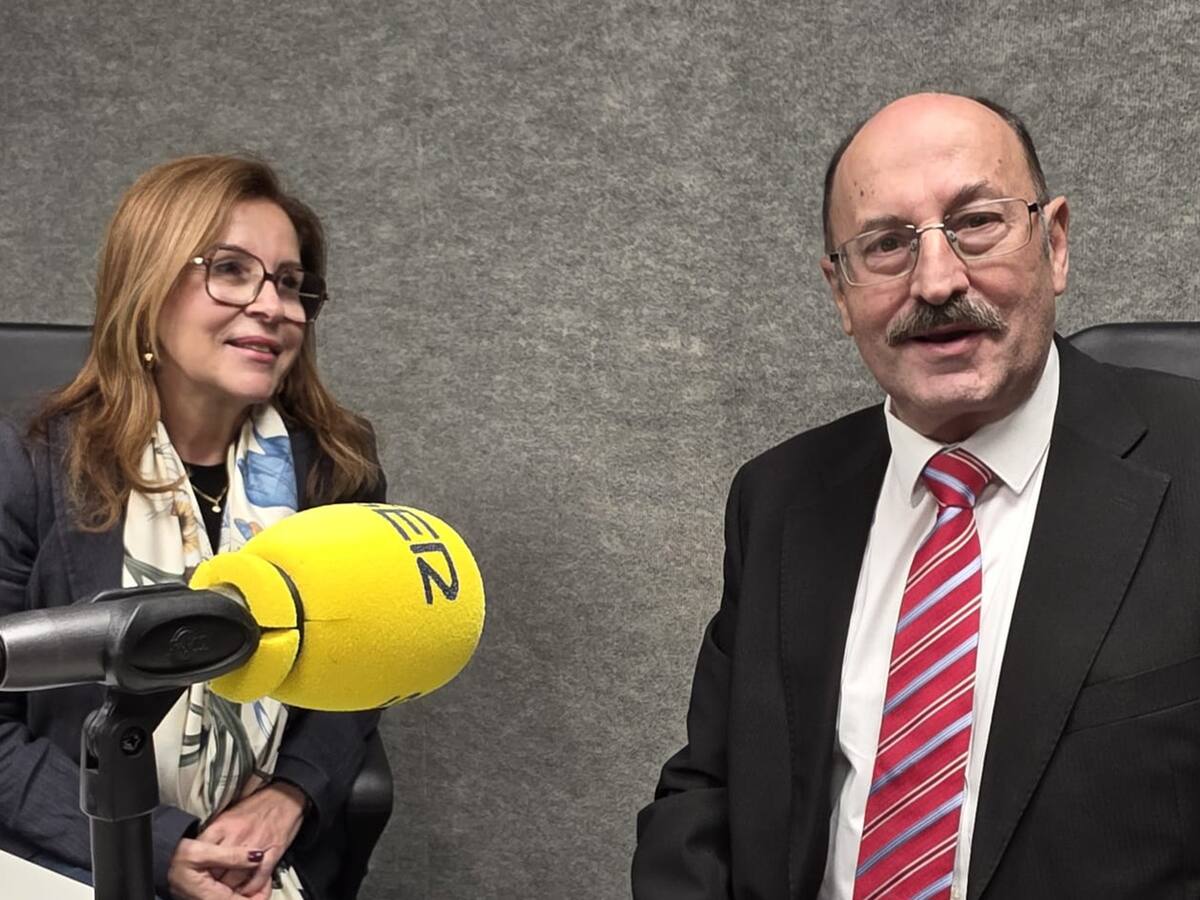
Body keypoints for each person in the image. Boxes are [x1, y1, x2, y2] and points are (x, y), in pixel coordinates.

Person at [632, 92, 1200, 898]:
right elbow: (710, 791)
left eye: (977, 223)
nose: (936, 282)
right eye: (887, 245)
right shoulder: (778, 499)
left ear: (1055, 244)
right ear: (840, 292)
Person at [0, 155, 386, 900]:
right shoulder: (26, 467)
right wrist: (158, 848)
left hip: (262, 865)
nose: (272, 306)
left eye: (289, 282)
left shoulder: (335, 472)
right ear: (148, 286)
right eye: (231, 271)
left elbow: (359, 673)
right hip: (69, 853)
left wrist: (290, 797)